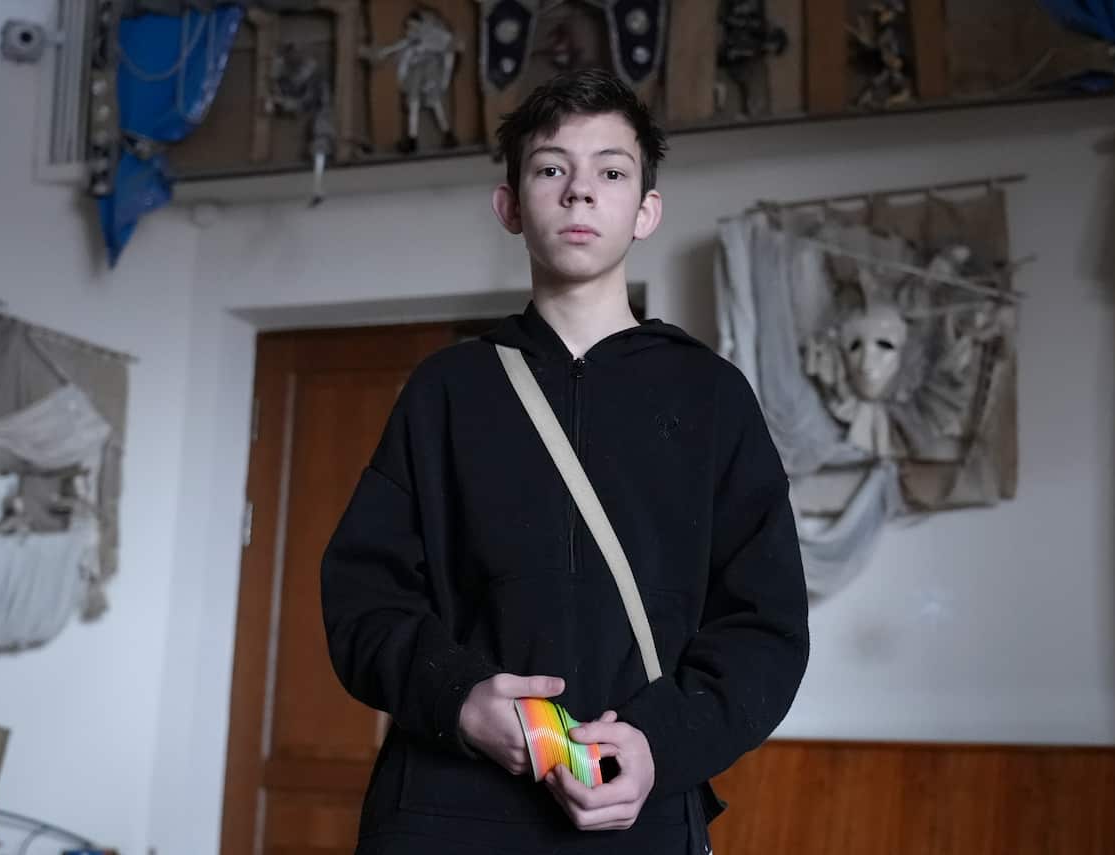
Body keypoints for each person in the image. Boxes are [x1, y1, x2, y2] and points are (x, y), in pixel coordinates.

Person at [321, 67, 809, 855]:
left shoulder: (714, 396)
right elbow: (363, 598)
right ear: (510, 205)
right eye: (551, 168)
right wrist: (459, 699)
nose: (580, 191)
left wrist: (660, 743)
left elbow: (767, 624)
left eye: (611, 172)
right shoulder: (446, 390)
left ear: (646, 209)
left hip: (640, 813)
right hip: (446, 814)